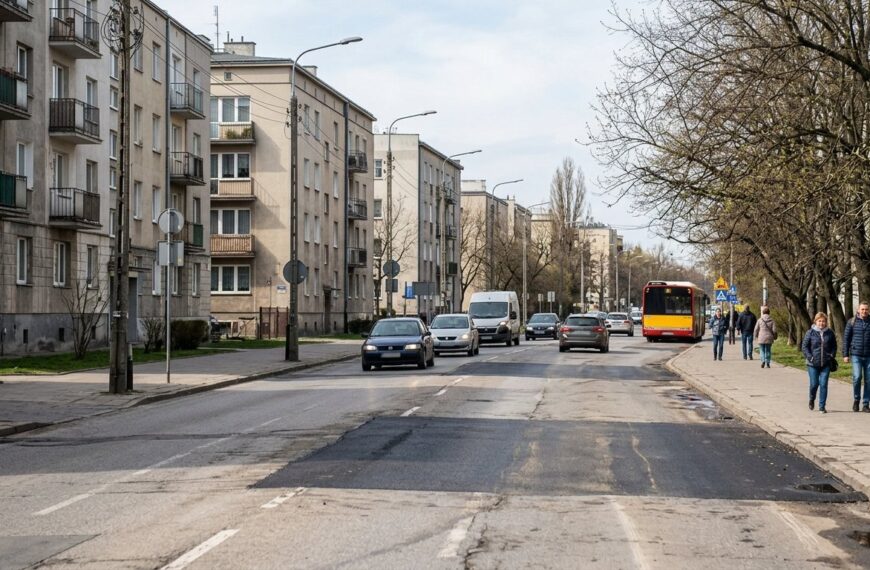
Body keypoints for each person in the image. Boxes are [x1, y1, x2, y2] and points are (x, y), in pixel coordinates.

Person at [801, 312, 837, 414]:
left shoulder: (830, 333)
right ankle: (812, 398)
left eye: (823, 321)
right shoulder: (810, 332)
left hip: (826, 363)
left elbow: (834, 346)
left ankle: (822, 406)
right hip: (812, 364)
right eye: (819, 321)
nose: (821, 323)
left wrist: (831, 355)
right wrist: (810, 357)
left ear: (826, 322)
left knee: (823, 384)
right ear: (815, 321)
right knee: (814, 384)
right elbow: (804, 347)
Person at [843, 301, 870, 413]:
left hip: (869, 356)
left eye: (866, 309)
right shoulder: (852, 322)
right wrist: (845, 354)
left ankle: (866, 404)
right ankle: (856, 400)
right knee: (857, 377)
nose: (864, 311)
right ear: (858, 310)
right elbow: (846, 339)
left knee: (869, 380)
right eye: (862, 309)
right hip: (856, 355)